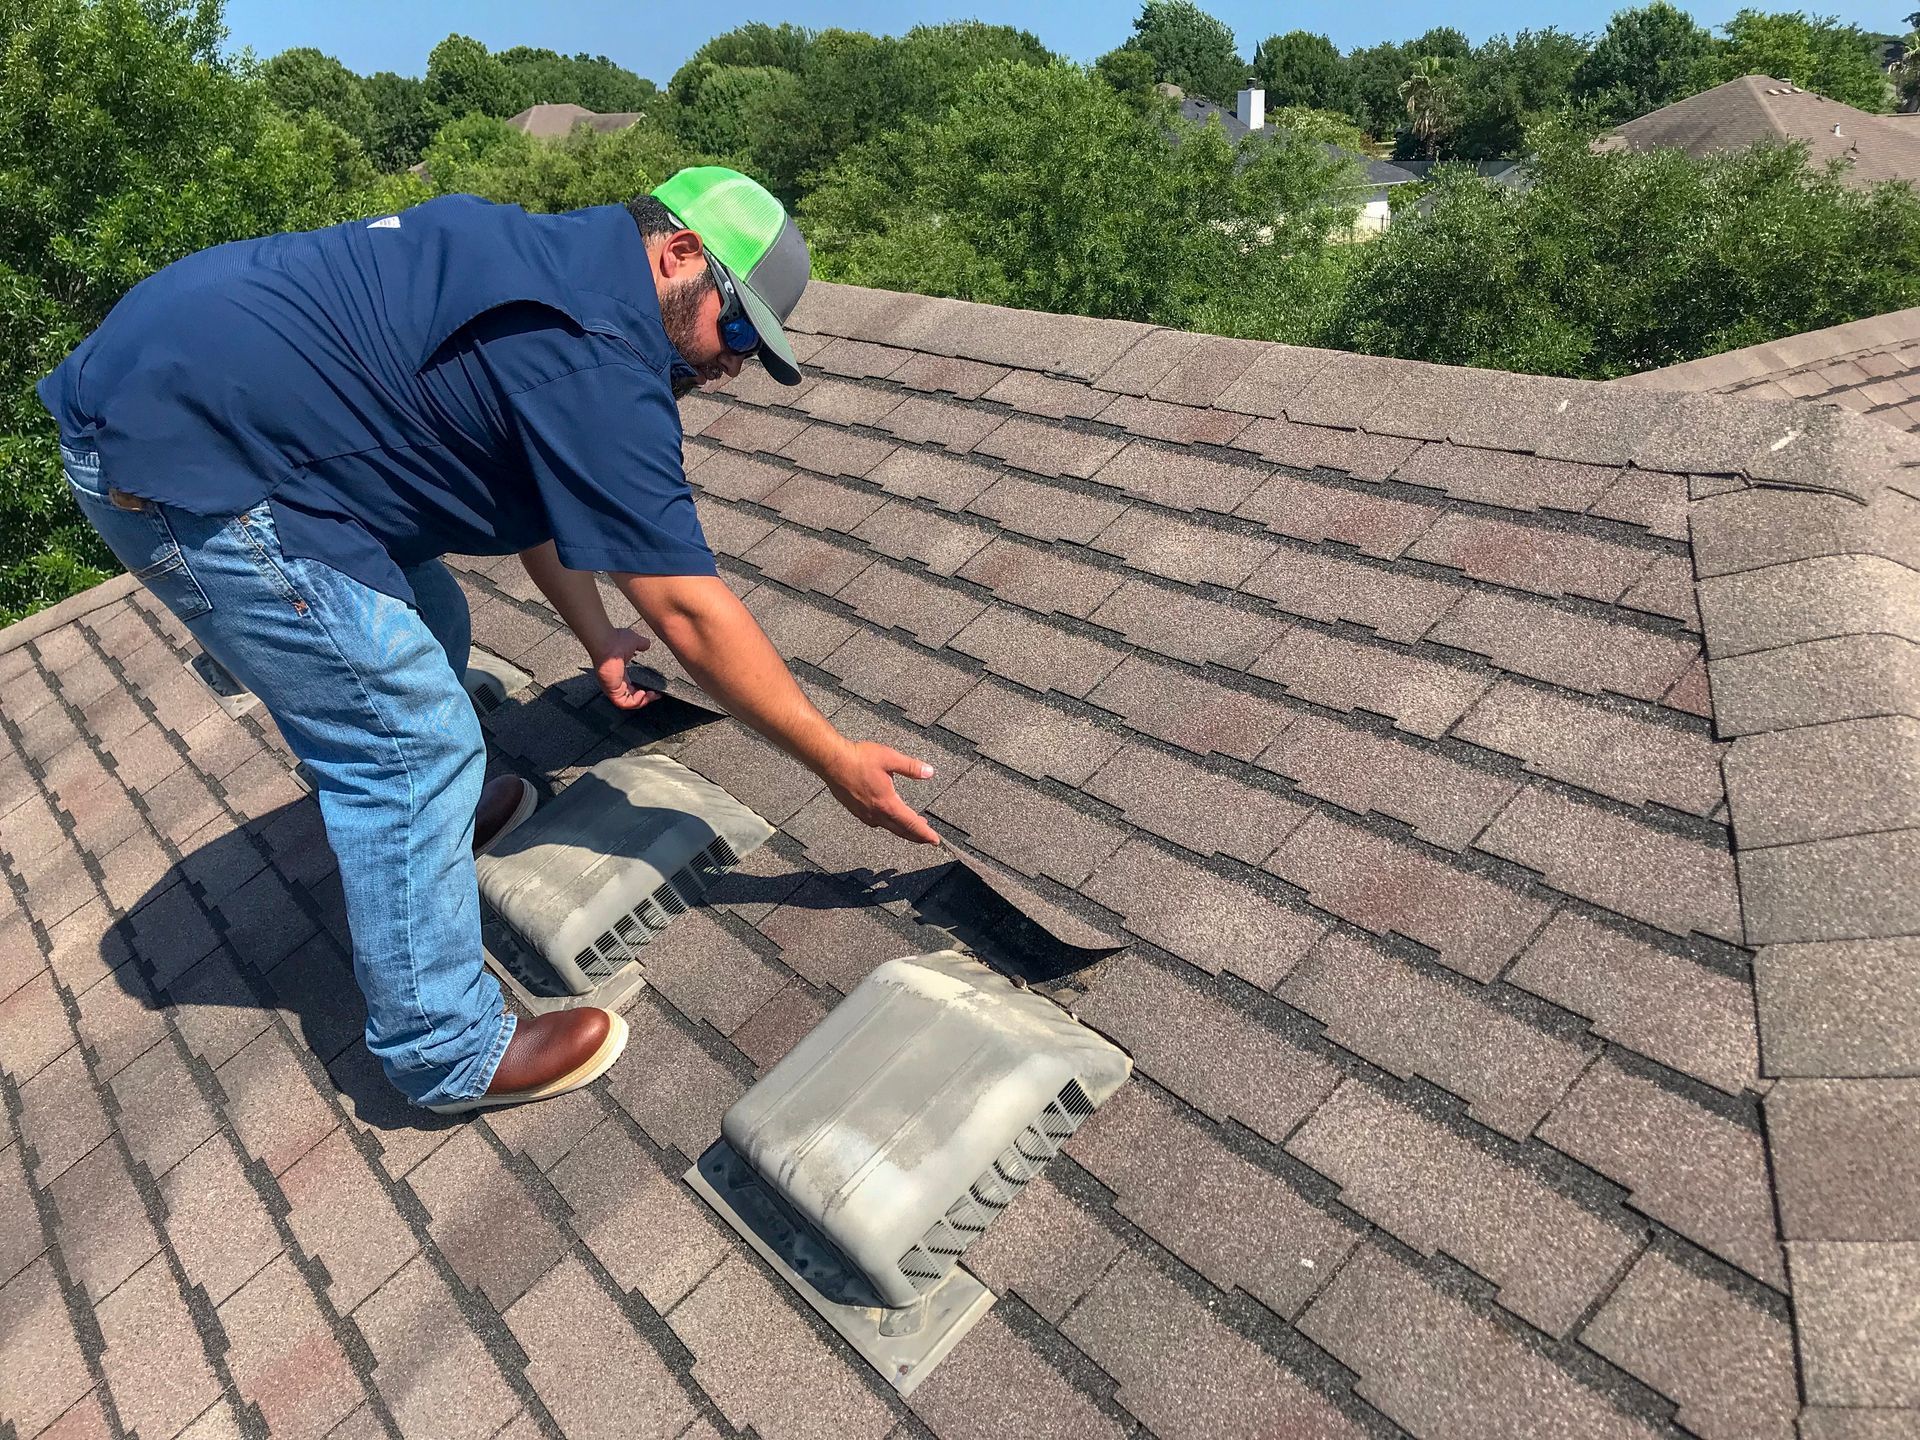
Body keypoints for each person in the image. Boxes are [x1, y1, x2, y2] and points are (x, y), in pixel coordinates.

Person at [38, 167, 940, 1114]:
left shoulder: (562, 267)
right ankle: (441, 1050)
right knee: (409, 741)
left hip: (209, 407)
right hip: (186, 464)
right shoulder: (595, 349)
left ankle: (425, 836)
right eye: (740, 332)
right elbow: (687, 609)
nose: (732, 366)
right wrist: (832, 758)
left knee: (437, 622)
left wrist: (595, 634)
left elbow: (538, 486)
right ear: (678, 255)